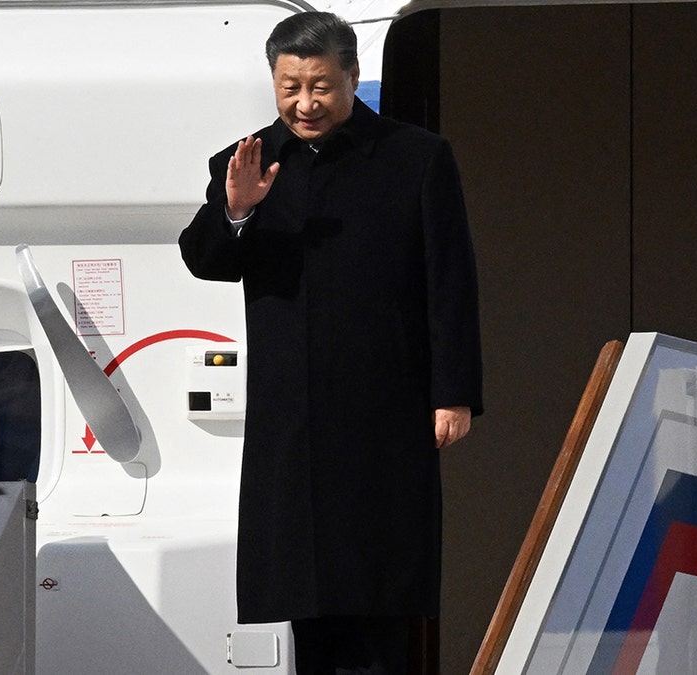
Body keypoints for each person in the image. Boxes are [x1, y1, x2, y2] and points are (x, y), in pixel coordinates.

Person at [178, 11, 483, 674]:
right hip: (295, 419)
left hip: (389, 409)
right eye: (289, 87)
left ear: (352, 77)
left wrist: (453, 392)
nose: (304, 103)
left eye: (320, 86)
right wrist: (237, 210)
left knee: (382, 594)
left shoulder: (417, 157)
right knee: (307, 598)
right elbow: (205, 259)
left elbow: (450, 280)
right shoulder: (250, 161)